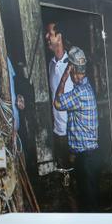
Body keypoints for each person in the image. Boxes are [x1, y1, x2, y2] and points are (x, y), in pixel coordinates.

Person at [52, 46, 101, 211]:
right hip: (87, 157)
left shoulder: (80, 93)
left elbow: (57, 103)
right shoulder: (84, 89)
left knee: (90, 207)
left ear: (72, 68)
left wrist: (64, 77)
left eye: (69, 68)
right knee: (88, 203)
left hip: (86, 158)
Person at [45, 21, 74, 168]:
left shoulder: (72, 63)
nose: (46, 37)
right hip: (58, 130)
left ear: (59, 37)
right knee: (63, 171)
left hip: (72, 131)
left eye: (50, 34)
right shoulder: (50, 64)